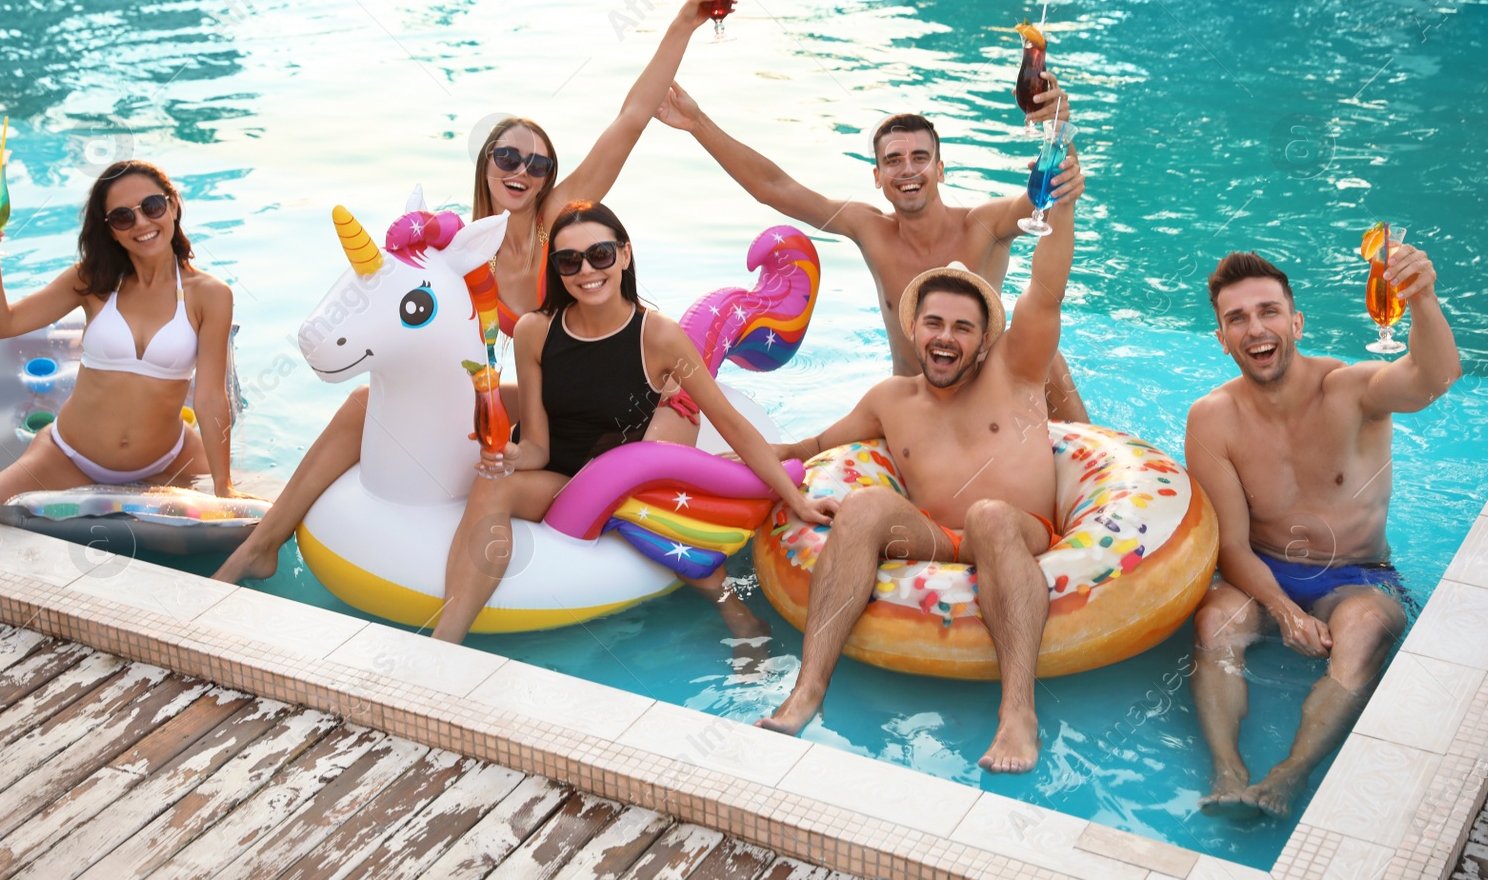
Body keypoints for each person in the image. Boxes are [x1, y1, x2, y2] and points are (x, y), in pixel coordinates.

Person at [215, 0, 717, 586]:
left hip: (589, 408)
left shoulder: (557, 227)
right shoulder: (451, 251)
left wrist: (687, 19)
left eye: (537, 165)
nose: (522, 172)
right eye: (508, 156)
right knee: (362, 401)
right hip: (530, 401)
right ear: (485, 161)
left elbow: (631, 118)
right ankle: (263, 542)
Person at [752, 184, 1080, 774]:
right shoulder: (890, 398)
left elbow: (1047, 288)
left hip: (1018, 530)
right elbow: (813, 447)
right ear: (914, 330)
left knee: (988, 514)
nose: (945, 337)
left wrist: (1063, 205)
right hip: (937, 537)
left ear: (984, 341)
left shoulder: (1016, 369)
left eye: (962, 327)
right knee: (867, 504)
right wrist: (744, 456)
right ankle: (808, 689)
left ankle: (1017, 715)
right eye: (934, 323)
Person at [436, 202, 840, 643]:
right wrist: (512, 455)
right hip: (557, 477)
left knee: (652, 510)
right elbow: (538, 446)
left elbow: (731, 424)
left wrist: (794, 500)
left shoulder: (659, 336)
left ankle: (737, 615)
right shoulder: (536, 330)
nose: (586, 270)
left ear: (625, 255)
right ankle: (445, 645)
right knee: (491, 485)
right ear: (557, 270)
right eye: (569, 260)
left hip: (621, 480)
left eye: (601, 254)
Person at [1188, 249, 1461, 819]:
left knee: (1362, 632)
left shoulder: (1352, 389)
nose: (1255, 329)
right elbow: (1232, 546)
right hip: (1265, 571)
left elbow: (1435, 379)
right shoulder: (1212, 418)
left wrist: (1423, 299)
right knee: (1215, 620)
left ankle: (1291, 774)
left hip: (1357, 576)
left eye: (1268, 312)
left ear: (1296, 322)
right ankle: (1227, 770)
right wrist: (1284, 611)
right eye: (1236, 318)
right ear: (1221, 338)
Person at [654, 81, 1090, 422]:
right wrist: (698, 123)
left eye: (920, 158)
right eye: (894, 160)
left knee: (1048, 357)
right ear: (877, 176)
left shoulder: (984, 226)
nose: (908, 170)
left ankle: (1107, 470)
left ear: (940, 169)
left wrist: (1058, 131)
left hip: (988, 401)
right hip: (915, 406)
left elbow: (1050, 195)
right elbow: (775, 189)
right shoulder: (870, 230)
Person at [0, 160, 235, 514]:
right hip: (67, 456)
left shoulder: (210, 294)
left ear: (173, 205)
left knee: (247, 527)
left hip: (167, 461)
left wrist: (224, 486)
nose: (142, 223)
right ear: (111, 230)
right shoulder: (93, 280)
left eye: (152, 206)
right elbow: (0, 325)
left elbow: (209, 398)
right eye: (122, 217)